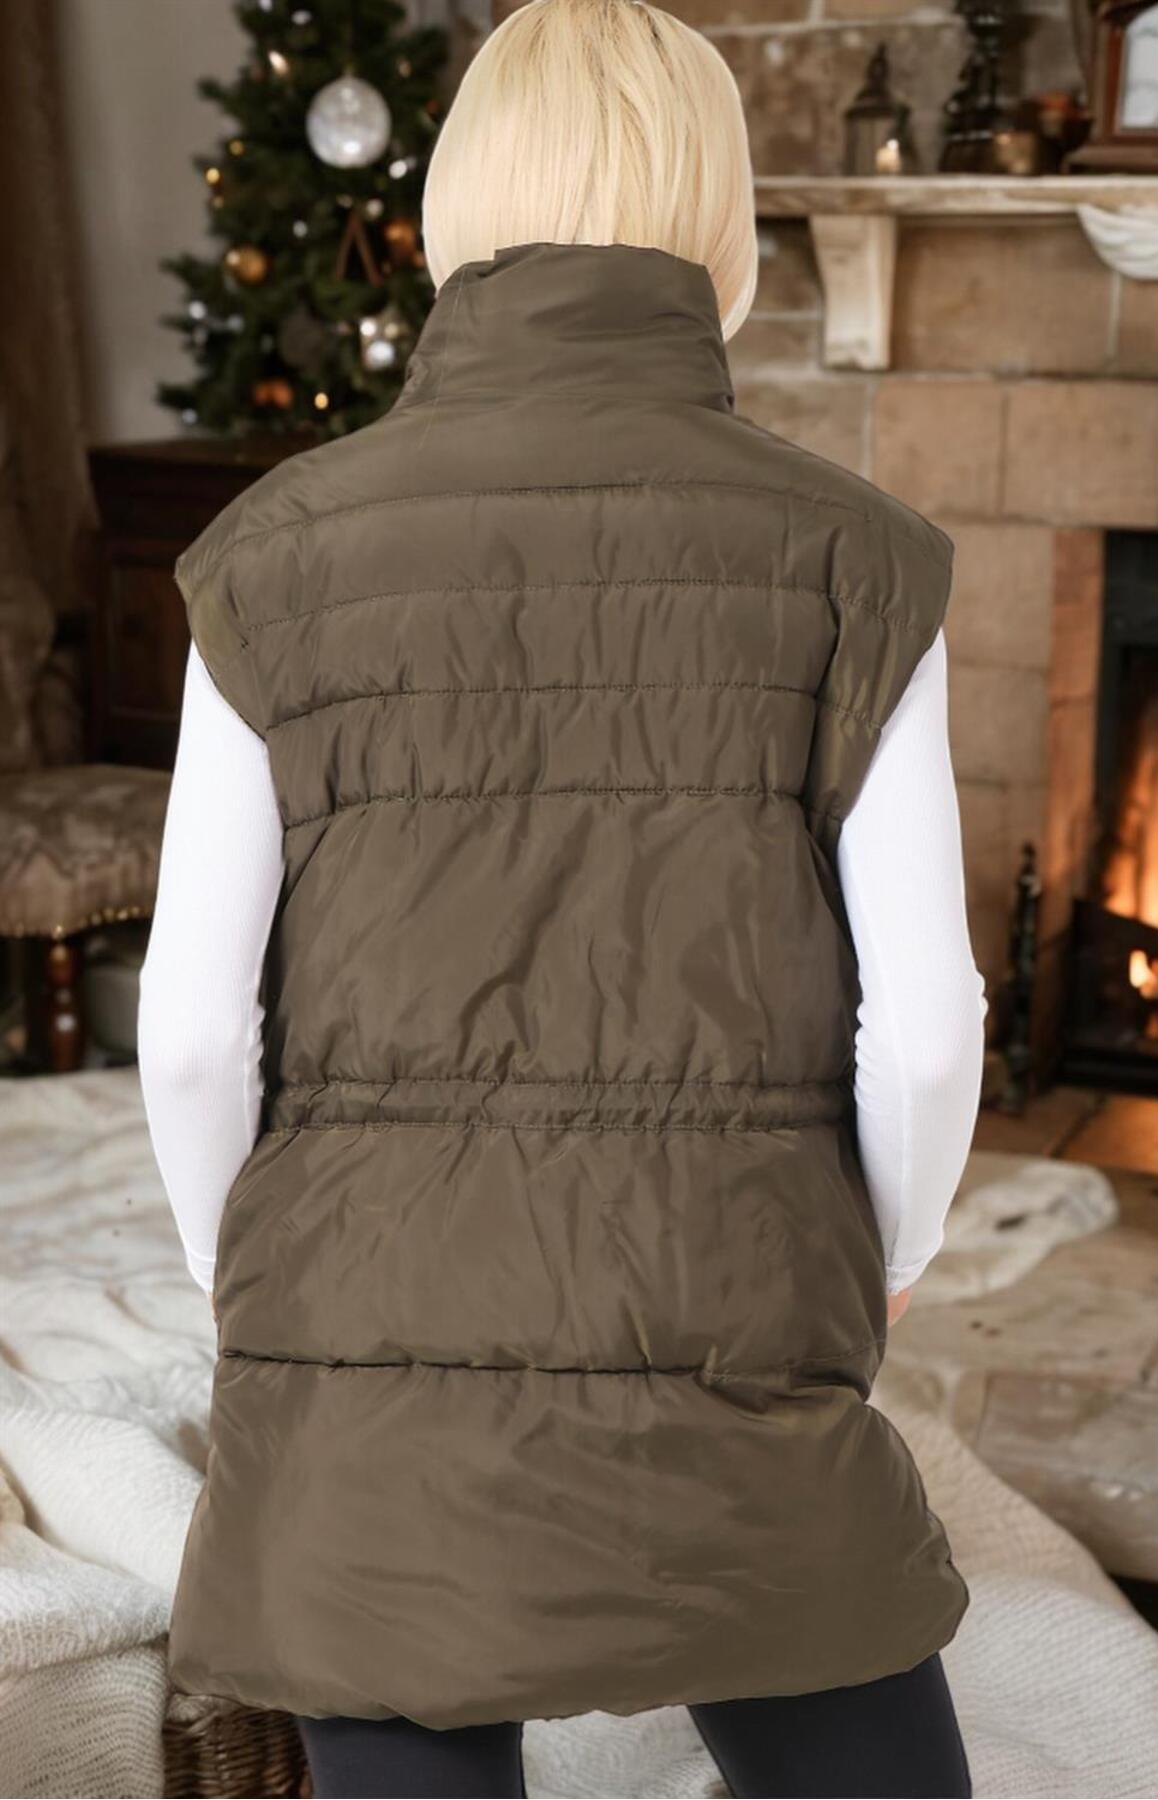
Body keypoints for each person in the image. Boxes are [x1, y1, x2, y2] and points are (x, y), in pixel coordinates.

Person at [137, 1, 987, 1794]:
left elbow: (196, 1032)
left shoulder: (269, 556)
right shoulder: (860, 556)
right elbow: (924, 1034)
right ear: (719, 223)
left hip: (364, 1385)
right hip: (738, 1331)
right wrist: (889, 1257)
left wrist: (256, 1282)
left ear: (454, 206)